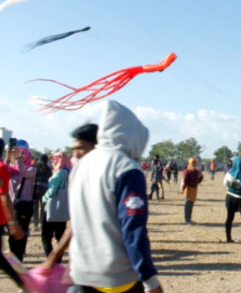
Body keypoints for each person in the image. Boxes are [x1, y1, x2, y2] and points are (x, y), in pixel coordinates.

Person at [68, 100, 162, 292]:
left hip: (81, 272)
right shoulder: (126, 168)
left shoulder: (81, 165)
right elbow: (133, 229)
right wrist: (149, 279)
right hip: (117, 277)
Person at [41, 123, 98, 271]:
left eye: (81, 148)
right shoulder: (78, 174)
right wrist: (53, 258)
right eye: (74, 150)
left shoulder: (111, 176)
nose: (76, 154)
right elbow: (75, 224)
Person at [0, 138, 27, 290]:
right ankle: (23, 281)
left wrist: (12, 223)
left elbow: (4, 195)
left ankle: (23, 281)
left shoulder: (2, 167)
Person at [6, 143, 37, 261]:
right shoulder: (12, 168)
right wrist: (9, 156)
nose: (21, 155)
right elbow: (3, 168)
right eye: (19, 153)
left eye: (23, 153)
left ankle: (19, 258)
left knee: (22, 232)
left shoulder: (32, 169)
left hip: (24, 205)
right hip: (12, 206)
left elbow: (23, 172)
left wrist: (18, 159)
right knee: (11, 233)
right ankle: (14, 257)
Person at [41, 151, 71, 258]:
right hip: (62, 210)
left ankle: (51, 260)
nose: (53, 161)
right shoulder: (69, 172)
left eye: (55, 158)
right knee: (60, 236)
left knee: (46, 236)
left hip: (51, 208)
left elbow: (52, 190)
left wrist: (43, 198)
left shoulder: (59, 173)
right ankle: (58, 259)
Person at [223, 156, 241, 243]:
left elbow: (225, 183)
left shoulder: (229, 174)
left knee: (229, 218)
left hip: (230, 197)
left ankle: (228, 238)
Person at [181, 157, 203, 224]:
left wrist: (201, 176)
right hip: (188, 190)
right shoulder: (187, 172)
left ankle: (189, 218)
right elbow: (185, 181)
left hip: (194, 190)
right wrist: (183, 189)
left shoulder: (196, 172)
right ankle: (187, 219)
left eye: (195, 164)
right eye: (193, 164)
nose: (194, 165)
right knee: (187, 205)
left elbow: (198, 181)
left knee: (191, 205)